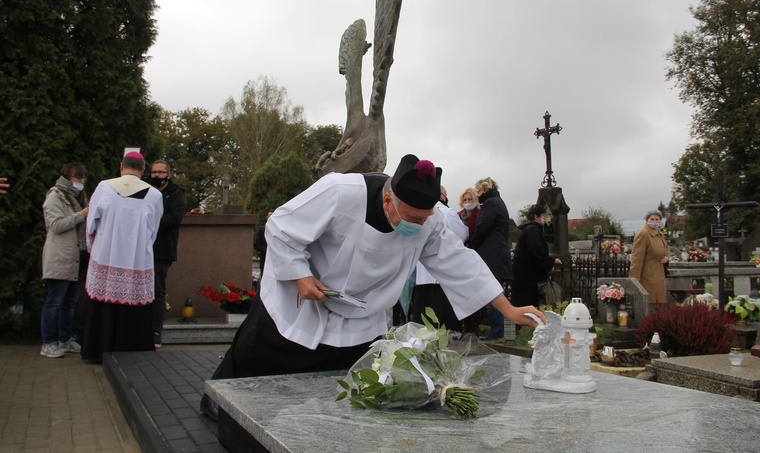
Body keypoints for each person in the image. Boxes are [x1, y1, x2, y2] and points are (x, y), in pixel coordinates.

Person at [201, 154, 544, 419]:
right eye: (411, 218)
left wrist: (507, 309)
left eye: (424, 219)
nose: (419, 226)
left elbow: (459, 263)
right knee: (258, 353)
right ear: (387, 200)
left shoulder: (430, 219)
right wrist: (300, 276)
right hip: (305, 297)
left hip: (361, 312)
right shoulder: (340, 190)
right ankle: (219, 401)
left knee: (347, 377)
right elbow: (281, 228)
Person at [81, 152, 163, 362]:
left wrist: (95, 249)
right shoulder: (154, 195)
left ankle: (97, 350)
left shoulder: (104, 187)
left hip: (105, 256)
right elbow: (153, 230)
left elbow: (91, 224)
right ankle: (131, 351)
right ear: (143, 170)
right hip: (136, 260)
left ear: (121, 166)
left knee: (104, 302)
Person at [40, 163, 90, 358]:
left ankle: (66, 339)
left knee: (70, 302)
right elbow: (56, 225)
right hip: (60, 256)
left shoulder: (79, 197)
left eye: (83, 178)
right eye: (78, 178)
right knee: (55, 301)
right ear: (68, 178)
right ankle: (48, 343)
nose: (81, 182)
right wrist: (80, 215)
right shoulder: (55, 196)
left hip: (78, 256)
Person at [409, 186, 468, 332]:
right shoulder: (448, 212)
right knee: (444, 314)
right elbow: (461, 234)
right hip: (444, 269)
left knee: (424, 316)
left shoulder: (419, 210)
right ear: (442, 195)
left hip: (423, 271)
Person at [466, 177, 513, 340]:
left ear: (484, 190)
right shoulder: (497, 202)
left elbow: (481, 228)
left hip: (492, 255)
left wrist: (470, 248)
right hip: (497, 254)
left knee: (494, 293)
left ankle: (498, 331)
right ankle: (498, 330)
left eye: (478, 191)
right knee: (495, 292)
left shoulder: (491, 203)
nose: (477, 195)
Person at [149, 160, 186, 348]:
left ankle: (156, 331)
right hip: (141, 249)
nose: (156, 176)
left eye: (160, 172)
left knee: (157, 291)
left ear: (168, 175)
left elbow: (174, 217)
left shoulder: (176, 195)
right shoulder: (145, 191)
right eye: (153, 172)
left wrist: (149, 225)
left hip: (162, 250)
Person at [512, 204, 562, 309]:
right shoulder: (532, 229)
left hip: (526, 274)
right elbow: (536, 251)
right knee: (527, 305)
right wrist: (548, 267)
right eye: (544, 216)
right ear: (536, 216)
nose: (546, 218)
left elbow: (539, 251)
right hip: (527, 276)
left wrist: (552, 260)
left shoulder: (531, 229)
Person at [629, 210, 669, 304]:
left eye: (657, 219)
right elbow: (637, 257)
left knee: (659, 302)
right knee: (649, 302)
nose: (654, 221)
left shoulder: (659, 234)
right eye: (652, 219)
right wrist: (634, 280)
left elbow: (664, 249)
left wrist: (666, 257)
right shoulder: (643, 233)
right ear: (647, 220)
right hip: (648, 275)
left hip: (659, 273)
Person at [253, 210, 274, 289]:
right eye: (270, 216)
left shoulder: (279, 230)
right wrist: (266, 251)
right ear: (267, 217)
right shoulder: (262, 230)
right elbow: (256, 244)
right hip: (265, 258)